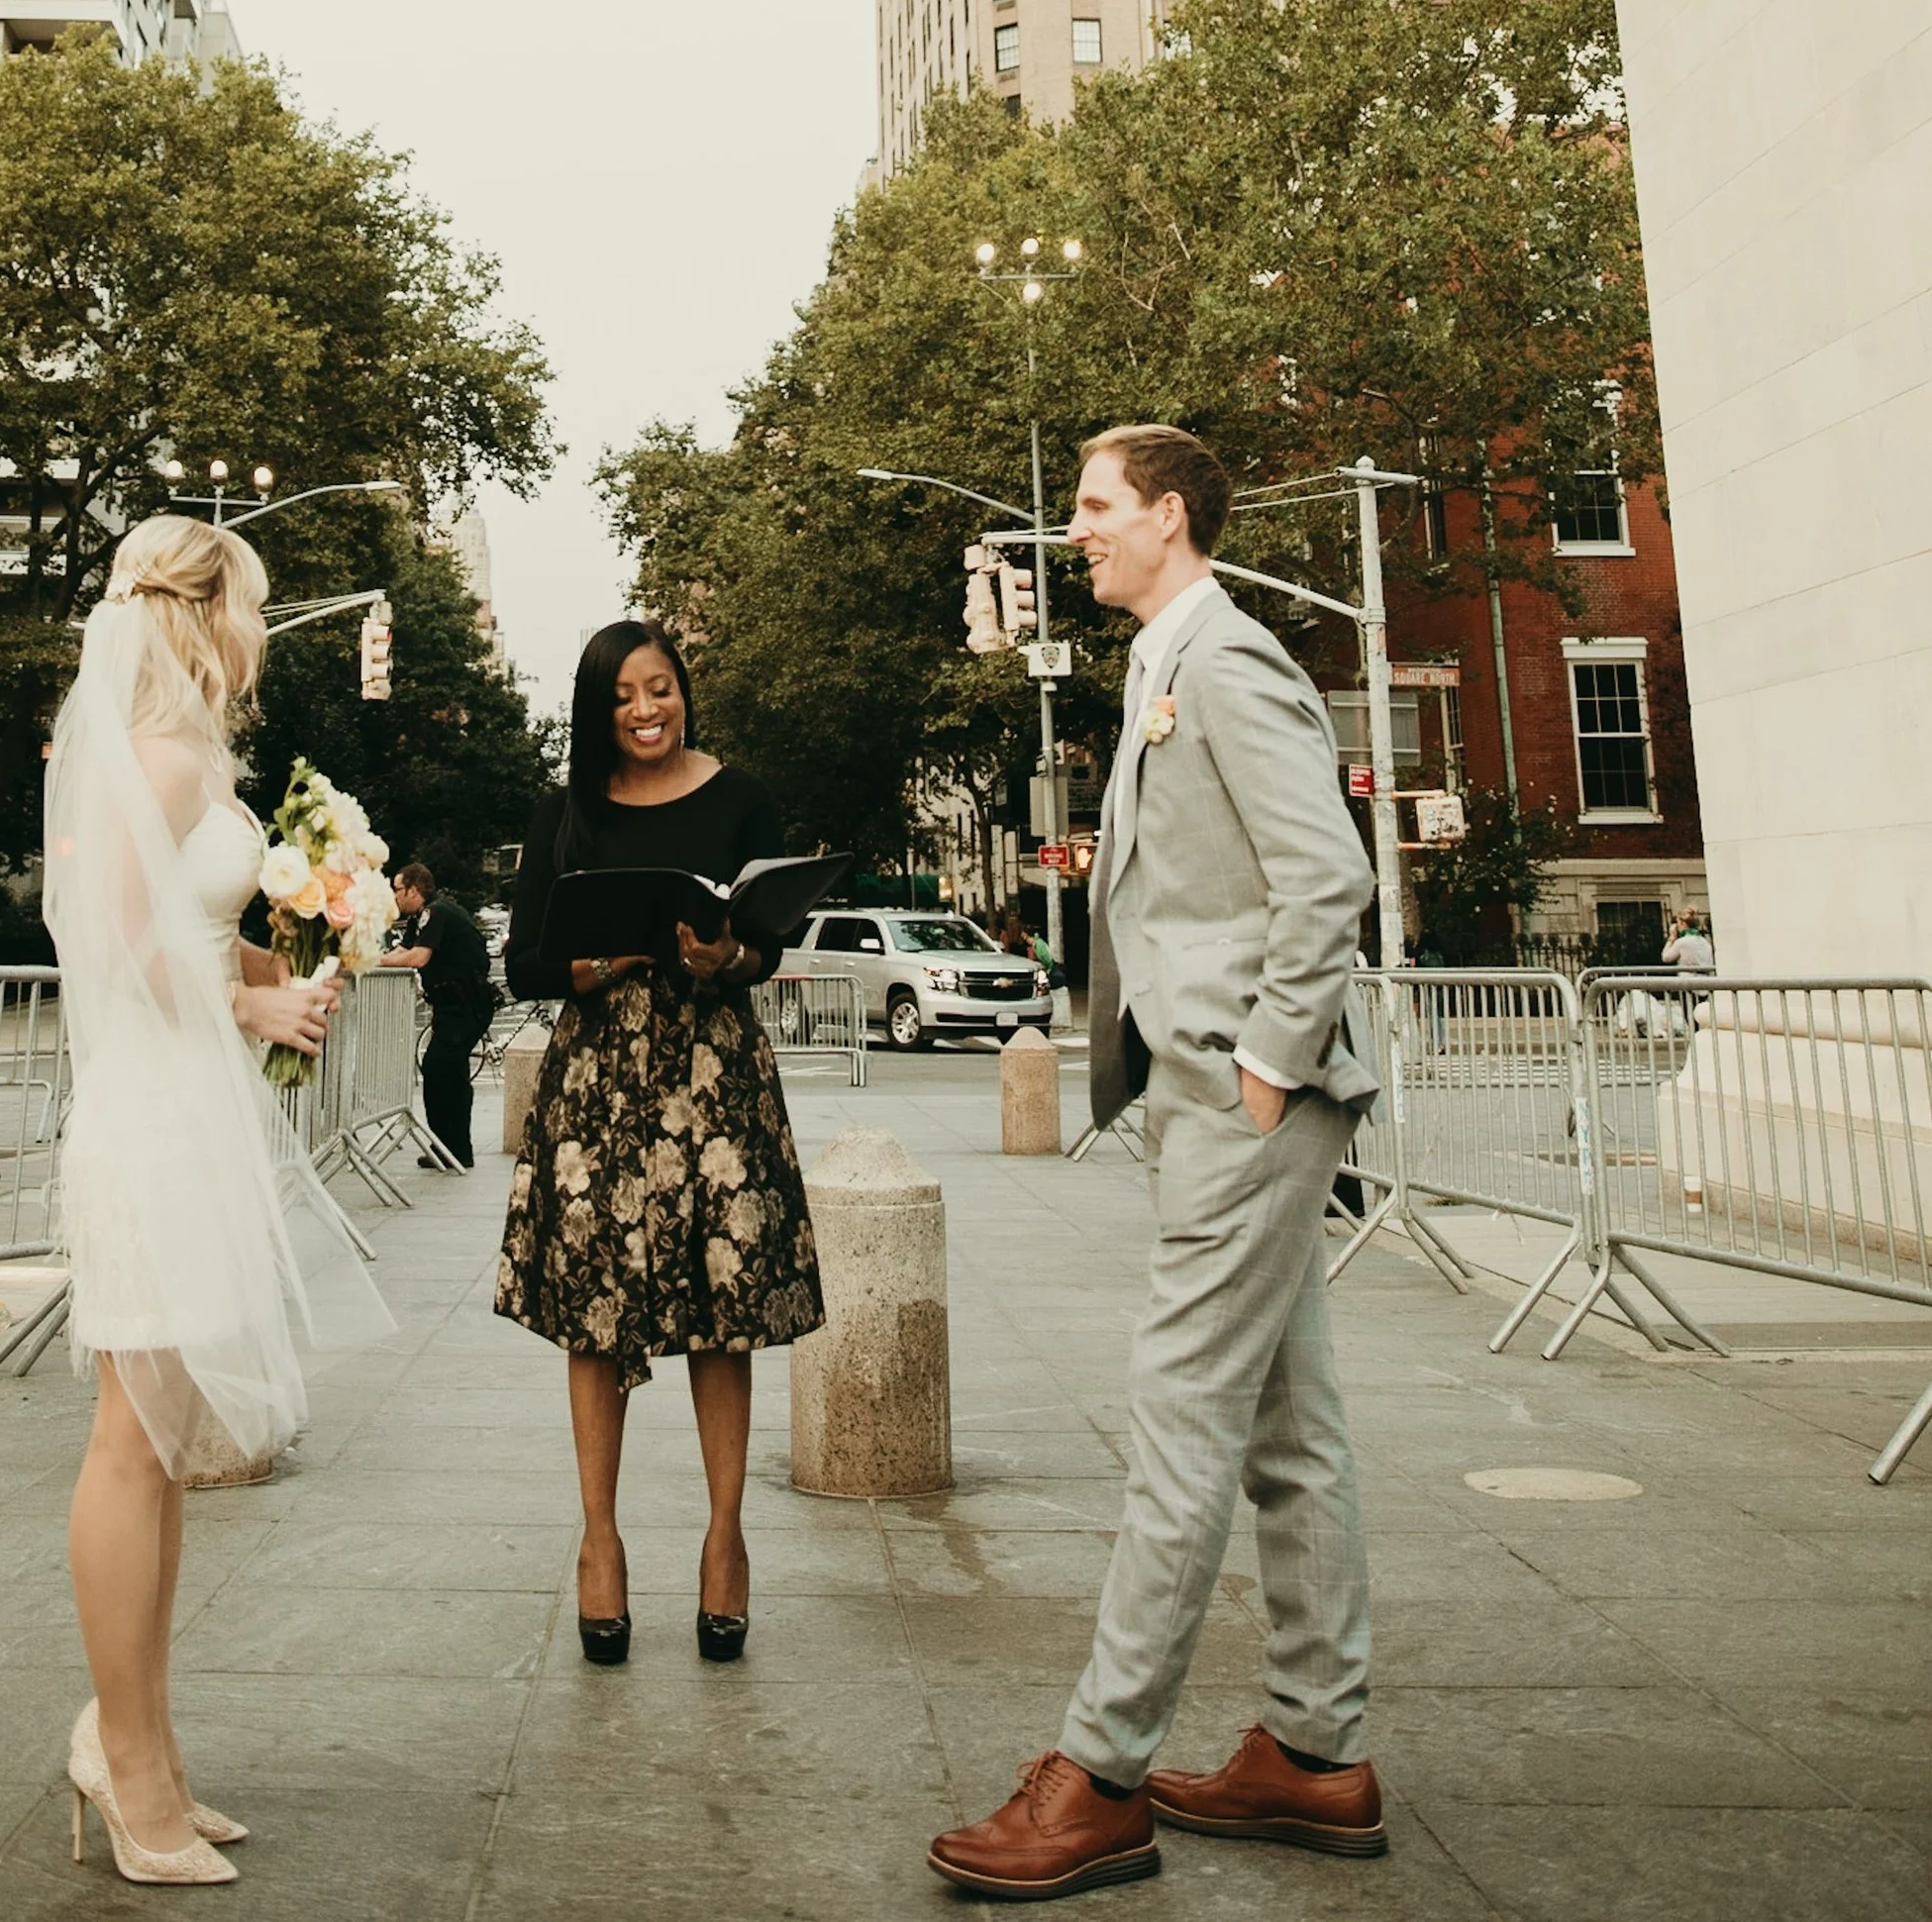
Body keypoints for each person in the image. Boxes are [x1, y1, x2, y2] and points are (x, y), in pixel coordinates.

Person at [930, 427, 1386, 1899]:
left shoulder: (1227, 659)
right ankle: (1315, 1751)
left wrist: (1265, 1065)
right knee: (1289, 1430)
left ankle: (1102, 1771)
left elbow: (1328, 874)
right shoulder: (1163, 662)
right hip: (1215, 1098)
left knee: (1181, 1422)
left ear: (1169, 514)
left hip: (1247, 1103)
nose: (1077, 532)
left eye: (1096, 506)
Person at [43, 514, 392, 1888]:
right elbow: (120, 942)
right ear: (201, 612)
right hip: (153, 1112)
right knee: (132, 1442)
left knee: (164, 1440)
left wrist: (271, 971)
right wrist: (253, 1003)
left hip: (191, 1103)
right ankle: (127, 1763)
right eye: (248, 603)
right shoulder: (164, 754)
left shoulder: (182, 755)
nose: (258, 628)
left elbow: (190, 927)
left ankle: (144, 1744)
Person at [495, 620, 825, 1667]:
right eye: (624, 697)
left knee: (724, 1309)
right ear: (598, 712)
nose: (646, 710)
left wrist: (728, 956)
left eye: (661, 688)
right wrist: (608, 960)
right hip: (599, 1083)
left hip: (715, 1073)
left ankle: (725, 1543)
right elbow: (525, 964)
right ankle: (600, 1544)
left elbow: (768, 943)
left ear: (684, 691)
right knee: (596, 1315)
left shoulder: (742, 798)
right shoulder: (565, 811)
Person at [376, 861, 497, 1168]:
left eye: (397, 889)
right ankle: (449, 1147)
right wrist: (371, 959)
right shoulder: (422, 917)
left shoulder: (437, 912)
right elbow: (403, 951)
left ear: (414, 889)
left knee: (442, 1069)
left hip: (466, 1003)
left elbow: (418, 957)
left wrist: (376, 962)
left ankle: (453, 1148)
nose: (395, 896)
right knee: (446, 1071)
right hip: (453, 1006)